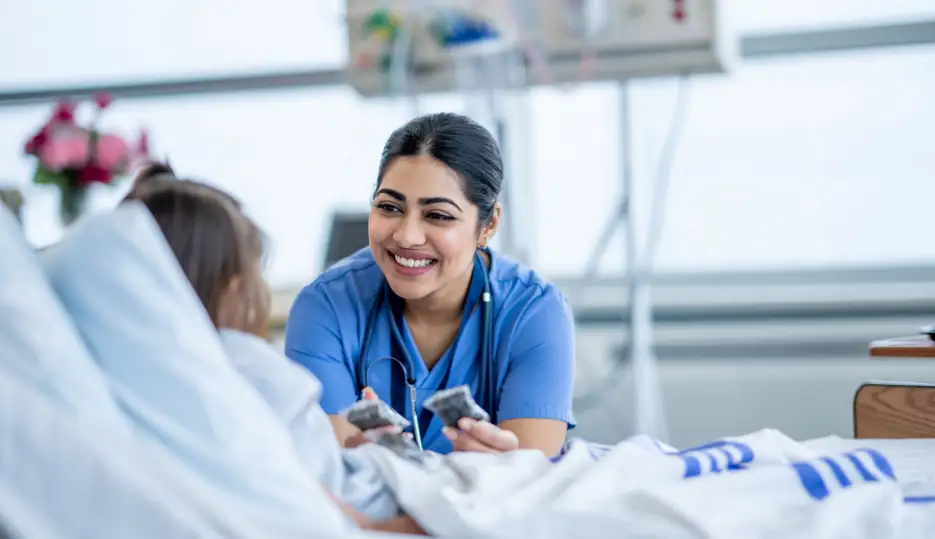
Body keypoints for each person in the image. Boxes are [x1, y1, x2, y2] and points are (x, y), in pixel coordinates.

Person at [122, 164, 426, 535]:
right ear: (234, 288)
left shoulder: (133, 381)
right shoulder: (248, 368)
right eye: (259, 272)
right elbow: (333, 506)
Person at [285, 113, 576, 456]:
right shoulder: (325, 308)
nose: (407, 236)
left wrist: (508, 469)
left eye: (438, 215)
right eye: (389, 207)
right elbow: (331, 475)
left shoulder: (533, 311)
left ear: (489, 224)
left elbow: (530, 480)